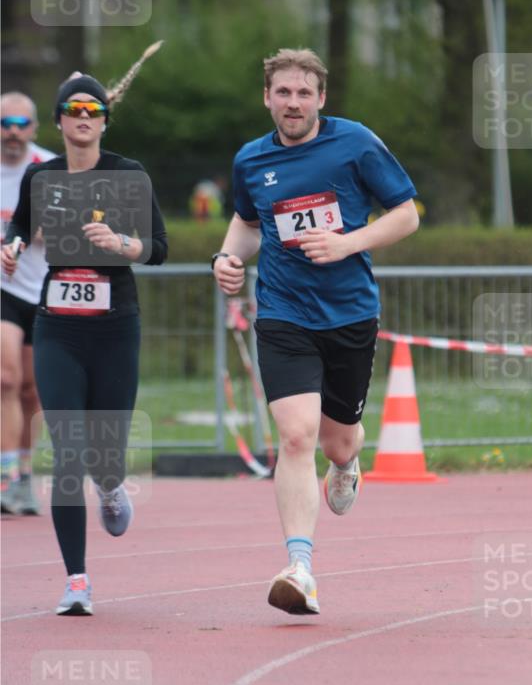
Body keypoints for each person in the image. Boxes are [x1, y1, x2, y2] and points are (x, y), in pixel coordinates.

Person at [212, 47, 419, 616]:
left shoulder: (355, 143)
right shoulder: (251, 160)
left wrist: (347, 243)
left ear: (321, 98)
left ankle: (349, 464)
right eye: (284, 92)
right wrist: (227, 259)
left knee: (336, 441)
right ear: (267, 98)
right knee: (297, 436)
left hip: (349, 313)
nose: (294, 102)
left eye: (304, 93)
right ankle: (299, 567)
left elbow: (407, 213)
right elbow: (248, 223)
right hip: (283, 313)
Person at [1, 42, 167, 615]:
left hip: (115, 328)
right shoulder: (40, 177)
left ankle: (113, 484)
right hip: (58, 328)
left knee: (105, 455)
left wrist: (125, 245)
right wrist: (11, 247)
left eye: (92, 111)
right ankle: (77, 580)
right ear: (60, 121)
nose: (82, 119)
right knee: (66, 451)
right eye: (73, 110)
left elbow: (160, 248)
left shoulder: (128, 174)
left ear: (103, 120)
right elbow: (19, 228)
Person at [1, 92, 55, 515]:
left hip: (40, 290)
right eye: (5, 123)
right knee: (5, 378)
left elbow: (72, 230)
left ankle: (22, 473)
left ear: (34, 128)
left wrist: (39, 233)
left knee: (31, 388)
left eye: (21, 123)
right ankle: (7, 477)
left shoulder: (49, 169)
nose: (13, 131)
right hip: (4, 288)